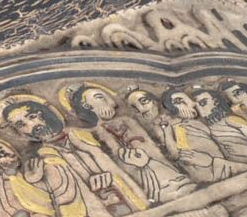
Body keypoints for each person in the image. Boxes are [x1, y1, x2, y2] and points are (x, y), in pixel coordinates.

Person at [0, 93, 148, 217]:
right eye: (21, 125)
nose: (32, 125)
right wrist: (34, 181)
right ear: (20, 132)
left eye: (32, 116)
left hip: (129, 201)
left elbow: (126, 159)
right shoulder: (37, 160)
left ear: (43, 114)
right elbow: (48, 201)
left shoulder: (87, 134)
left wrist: (111, 178)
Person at [62, 81, 195, 204]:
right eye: (100, 97)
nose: (113, 103)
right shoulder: (88, 134)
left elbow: (152, 146)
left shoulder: (128, 121)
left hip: (157, 165)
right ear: (86, 106)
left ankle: (172, 182)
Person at [158, 88, 247, 183]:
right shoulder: (179, 126)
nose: (193, 103)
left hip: (221, 166)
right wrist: (167, 131)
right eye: (179, 101)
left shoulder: (199, 123)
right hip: (212, 171)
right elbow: (179, 155)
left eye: (189, 99)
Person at [193, 87, 247, 163]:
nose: (200, 110)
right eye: (196, 107)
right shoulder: (204, 129)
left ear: (216, 102)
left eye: (203, 103)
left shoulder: (233, 120)